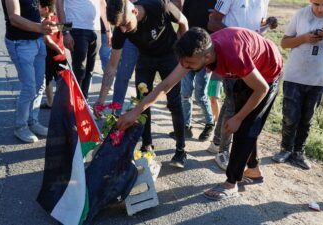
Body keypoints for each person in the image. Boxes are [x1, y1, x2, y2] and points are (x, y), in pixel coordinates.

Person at [117, 27, 283, 200]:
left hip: (268, 75)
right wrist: (135, 112)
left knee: (245, 126)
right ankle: (254, 169)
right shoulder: (197, 52)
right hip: (248, 71)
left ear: (207, 57)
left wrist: (238, 118)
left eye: (189, 63)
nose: (185, 66)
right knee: (244, 123)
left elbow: (261, 88)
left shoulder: (233, 55)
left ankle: (231, 183)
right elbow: (166, 85)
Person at [94, 0, 189, 168]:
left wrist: (184, 51)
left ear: (135, 12)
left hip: (169, 56)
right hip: (145, 59)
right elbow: (112, 67)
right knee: (142, 102)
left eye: (125, 25)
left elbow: (183, 22)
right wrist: (101, 100)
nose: (123, 30)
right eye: (119, 27)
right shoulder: (121, 28)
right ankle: (147, 145)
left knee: (174, 103)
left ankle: (180, 150)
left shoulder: (160, 6)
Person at [272, 0, 323, 170]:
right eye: (316, 4)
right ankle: (285, 149)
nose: (320, 9)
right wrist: (305, 38)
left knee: (307, 119)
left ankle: (298, 152)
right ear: (309, 1)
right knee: (290, 117)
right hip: (295, 75)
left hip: (319, 78)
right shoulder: (301, 14)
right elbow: (284, 43)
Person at [206, 0, 278, 171]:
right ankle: (223, 152)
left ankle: (217, 143)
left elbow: (257, 24)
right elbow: (213, 21)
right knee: (233, 105)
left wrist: (267, 24)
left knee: (230, 103)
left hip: (251, 60)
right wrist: (236, 41)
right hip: (233, 57)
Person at [2, 0, 58, 143]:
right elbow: (14, 18)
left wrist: (46, 21)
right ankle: (21, 126)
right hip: (20, 43)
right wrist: (40, 27)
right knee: (29, 87)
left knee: (40, 85)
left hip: (38, 41)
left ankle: (32, 121)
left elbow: (33, 11)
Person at [168, 0, 216, 141]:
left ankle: (209, 124)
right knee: (185, 93)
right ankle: (186, 127)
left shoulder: (216, 3)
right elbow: (183, 23)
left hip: (205, 56)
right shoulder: (189, 1)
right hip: (188, 54)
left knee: (200, 94)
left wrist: (210, 61)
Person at [56, 0, 109, 100]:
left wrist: (108, 30)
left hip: (95, 30)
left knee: (89, 70)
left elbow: (102, 4)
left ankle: (83, 103)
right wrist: (65, 32)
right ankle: (75, 104)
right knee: (79, 71)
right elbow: (58, 4)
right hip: (76, 28)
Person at [38, 0, 67, 110]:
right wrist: (62, 51)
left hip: (50, 57)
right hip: (62, 57)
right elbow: (68, 28)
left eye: (39, 7)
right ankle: (64, 101)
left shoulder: (45, 22)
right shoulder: (59, 20)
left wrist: (58, 49)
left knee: (48, 80)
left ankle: (50, 102)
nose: (37, 9)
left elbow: (47, 40)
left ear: (46, 9)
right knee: (61, 80)